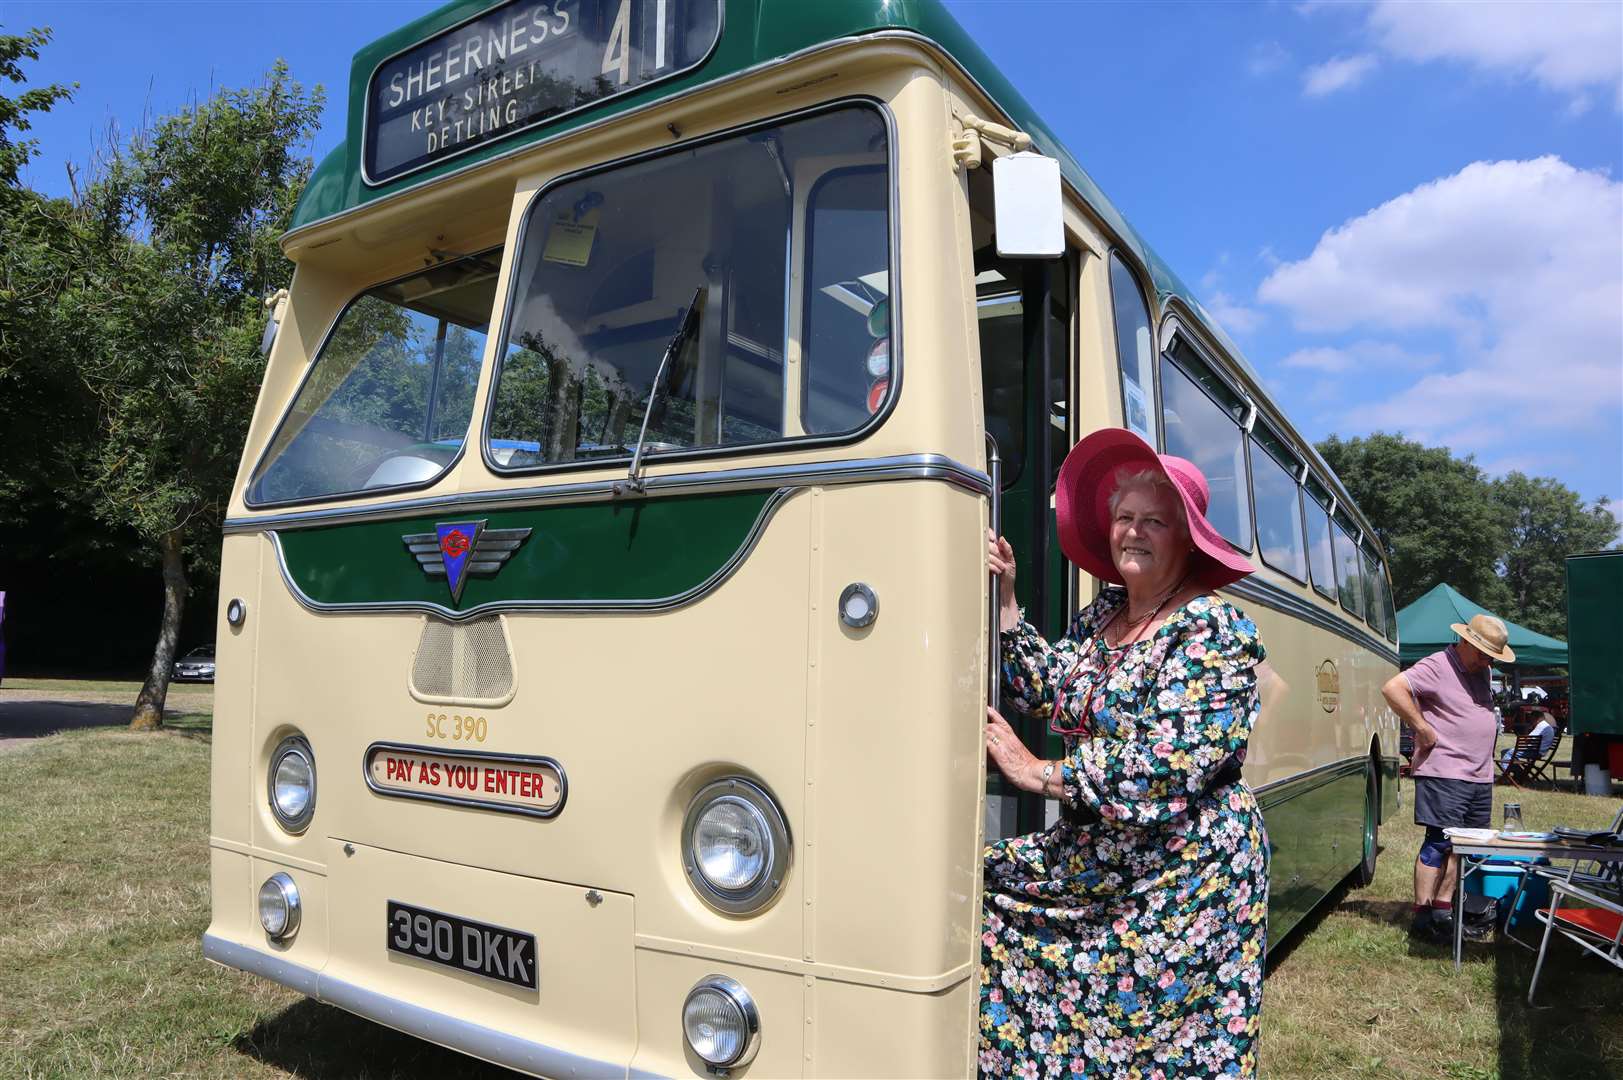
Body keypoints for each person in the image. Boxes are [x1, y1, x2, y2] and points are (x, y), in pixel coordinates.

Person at [980, 428, 1268, 1079]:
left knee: (1156, 1046)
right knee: (976, 888)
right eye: (1123, 518)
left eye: (1153, 522)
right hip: (1101, 853)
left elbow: (1164, 767)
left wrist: (1037, 772)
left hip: (1185, 869)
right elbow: (1050, 688)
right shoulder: (1103, 616)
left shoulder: (1213, 629)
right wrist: (1005, 601)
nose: (1132, 532)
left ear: (1185, 536)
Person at [1380, 614, 1514, 941]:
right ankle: (1422, 918)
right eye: (1483, 654)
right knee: (1438, 843)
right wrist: (1422, 727)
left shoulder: (1481, 670)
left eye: (1492, 657)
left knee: (1464, 847)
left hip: (1478, 775)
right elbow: (1393, 688)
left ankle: (1444, 910)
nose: (1487, 661)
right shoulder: (1438, 664)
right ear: (1466, 642)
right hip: (1446, 772)